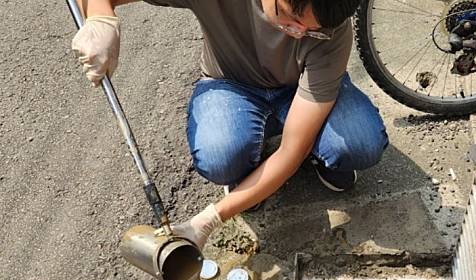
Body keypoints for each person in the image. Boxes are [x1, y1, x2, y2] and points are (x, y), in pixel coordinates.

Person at [72, 0, 389, 249]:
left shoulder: (330, 31)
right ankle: (248, 169)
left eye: (310, 30)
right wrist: (102, 20)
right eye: (290, 19)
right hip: (233, 85)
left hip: (302, 87)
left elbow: (293, 149)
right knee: (221, 157)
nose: (296, 33)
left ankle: (314, 156)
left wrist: (209, 219)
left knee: (358, 142)